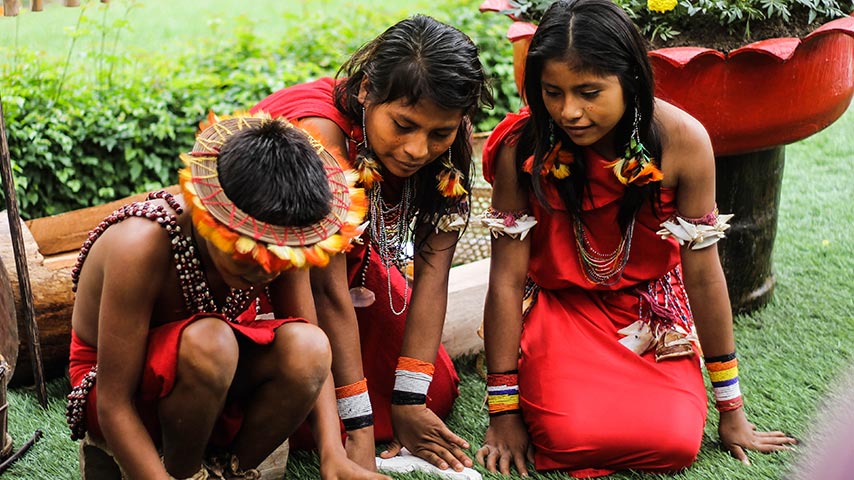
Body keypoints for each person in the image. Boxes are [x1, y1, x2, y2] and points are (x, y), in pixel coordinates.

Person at [473, 0, 797, 477]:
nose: (569, 112)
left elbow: (704, 278)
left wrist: (733, 411)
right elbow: (504, 280)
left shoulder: (684, 142)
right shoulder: (524, 147)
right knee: (569, 435)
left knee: (675, 445)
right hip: (560, 306)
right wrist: (503, 413)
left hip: (652, 310)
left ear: (631, 79)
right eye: (552, 92)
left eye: (589, 92)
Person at [66, 113, 389, 480]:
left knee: (310, 346)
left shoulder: (282, 241)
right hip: (114, 389)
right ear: (208, 212)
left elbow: (314, 350)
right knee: (212, 341)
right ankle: (186, 473)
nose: (265, 269)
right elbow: (114, 404)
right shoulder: (140, 245)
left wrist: (334, 454)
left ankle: (228, 471)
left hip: (213, 380)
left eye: (277, 258)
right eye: (248, 250)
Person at [250, 14, 493, 473]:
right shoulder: (320, 136)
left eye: (438, 133)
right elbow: (322, 288)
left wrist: (409, 401)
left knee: (433, 390)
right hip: (273, 275)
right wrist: (358, 433)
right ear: (365, 91)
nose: (418, 150)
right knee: (307, 402)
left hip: (351, 273)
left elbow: (434, 266)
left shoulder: (449, 134)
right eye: (403, 125)